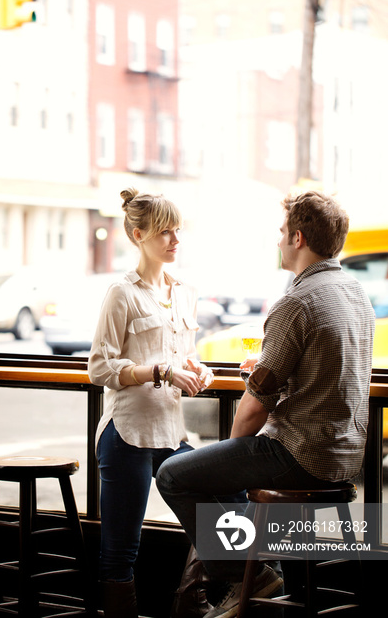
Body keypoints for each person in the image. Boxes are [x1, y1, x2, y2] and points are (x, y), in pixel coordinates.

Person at [156, 190, 375, 618]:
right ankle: (266, 570)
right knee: (229, 477)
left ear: (297, 238)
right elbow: (326, 365)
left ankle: (249, 573)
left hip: (300, 452)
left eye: (281, 233)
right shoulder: (354, 292)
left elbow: (255, 408)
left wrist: (232, 459)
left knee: (173, 476)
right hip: (346, 456)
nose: (277, 241)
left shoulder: (296, 302)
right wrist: (268, 365)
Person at [88, 187, 214, 618]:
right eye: (164, 232)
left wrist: (201, 370)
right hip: (127, 435)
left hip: (172, 433)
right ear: (138, 234)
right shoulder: (121, 293)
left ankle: (190, 601)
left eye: (178, 231)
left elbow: (185, 356)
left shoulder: (184, 292)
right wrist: (158, 371)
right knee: (122, 549)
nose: (174, 240)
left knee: (216, 511)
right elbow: (100, 368)